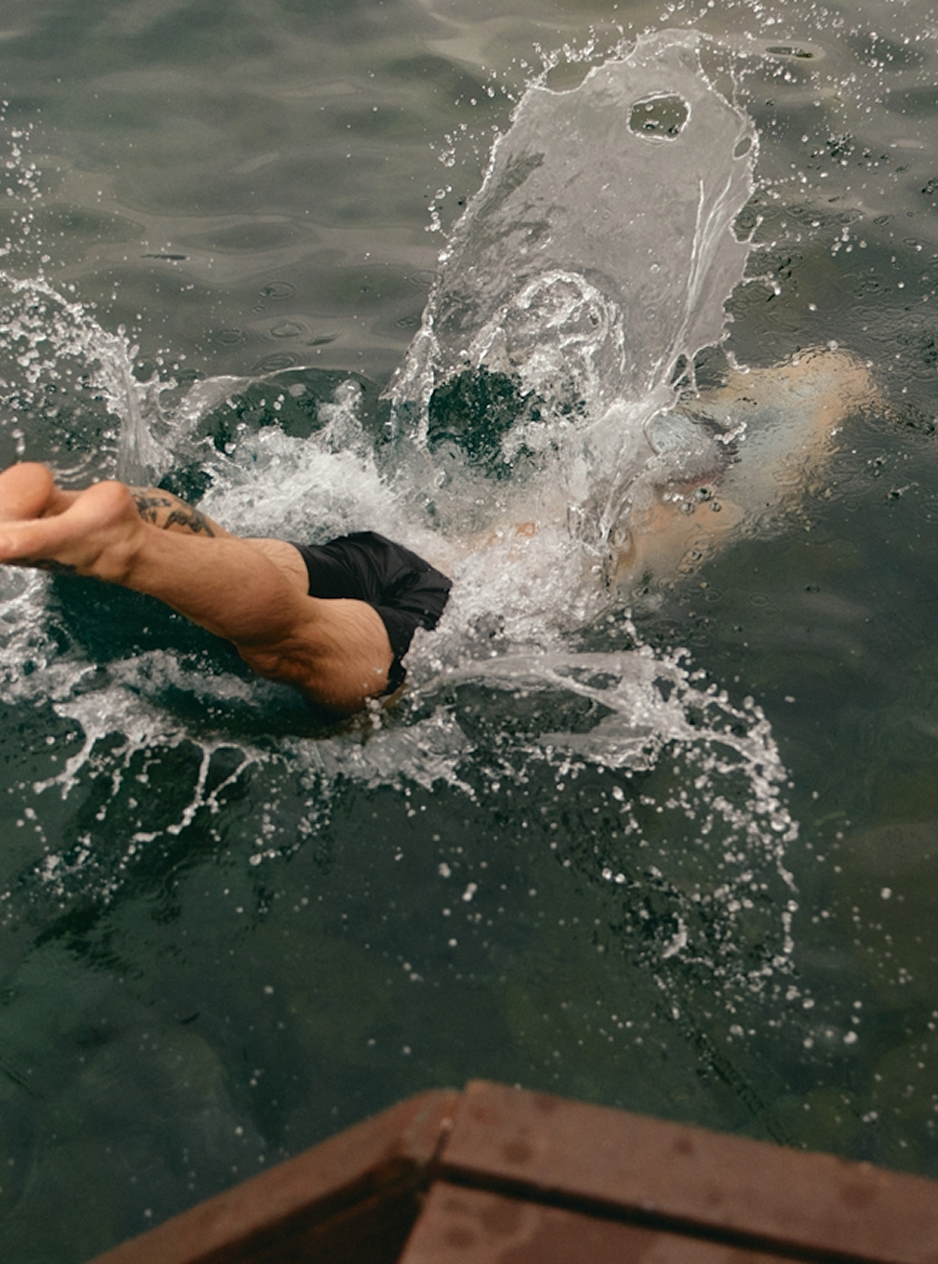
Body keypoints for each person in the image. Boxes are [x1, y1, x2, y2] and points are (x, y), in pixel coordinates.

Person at [0, 462, 451, 717]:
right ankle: (125, 546)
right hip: (442, 609)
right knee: (294, 644)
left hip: (385, 556)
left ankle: (55, 509)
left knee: (245, 554)